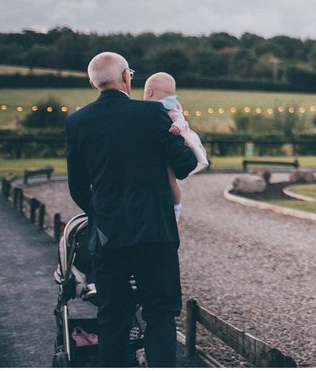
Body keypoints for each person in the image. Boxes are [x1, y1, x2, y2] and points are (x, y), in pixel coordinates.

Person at [66, 52, 198, 367]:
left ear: (92, 83)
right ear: (127, 77)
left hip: (108, 235)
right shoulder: (153, 115)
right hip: (154, 232)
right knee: (160, 315)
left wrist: (102, 215)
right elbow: (185, 165)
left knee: (112, 317)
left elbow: (77, 187)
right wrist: (182, 134)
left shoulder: (77, 122)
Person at [142, 72, 209, 222]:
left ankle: (177, 206)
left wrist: (176, 128)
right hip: (164, 151)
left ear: (149, 92)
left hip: (173, 145)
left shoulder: (170, 106)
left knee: (171, 180)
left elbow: (181, 120)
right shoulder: (156, 107)